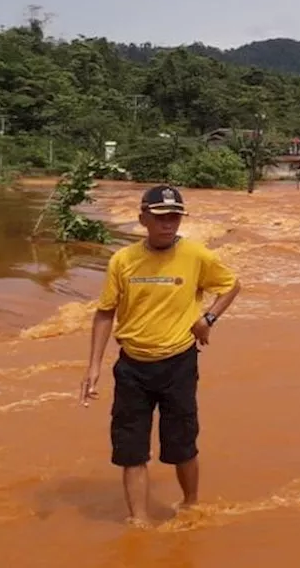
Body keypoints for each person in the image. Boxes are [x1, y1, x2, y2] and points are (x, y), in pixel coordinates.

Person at [79, 185, 241, 526]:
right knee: (130, 448)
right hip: (132, 367)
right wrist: (93, 367)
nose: (168, 224)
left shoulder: (197, 256)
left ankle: (191, 504)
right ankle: (138, 519)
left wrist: (208, 319)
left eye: (174, 218)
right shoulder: (122, 261)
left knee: (182, 443)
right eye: (160, 218)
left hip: (178, 364)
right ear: (143, 219)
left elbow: (231, 285)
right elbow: (105, 313)